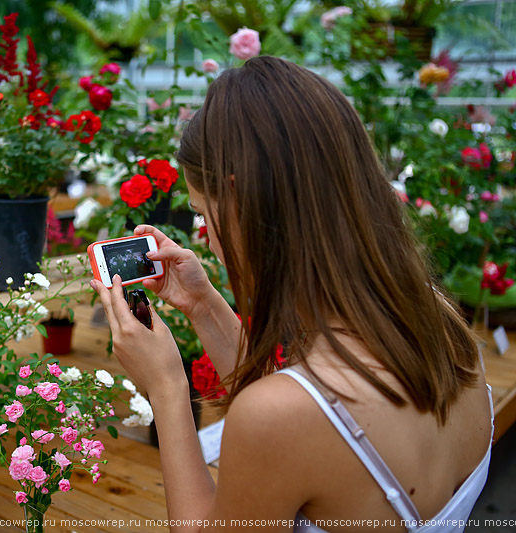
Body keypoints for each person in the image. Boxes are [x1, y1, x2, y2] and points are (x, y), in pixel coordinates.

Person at [91, 57, 493, 532]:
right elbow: (316, 408)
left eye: (203, 214)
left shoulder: (280, 418)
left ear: (240, 200)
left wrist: (167, 387)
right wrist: (204, 307)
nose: (205, 233)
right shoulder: (439, 321)